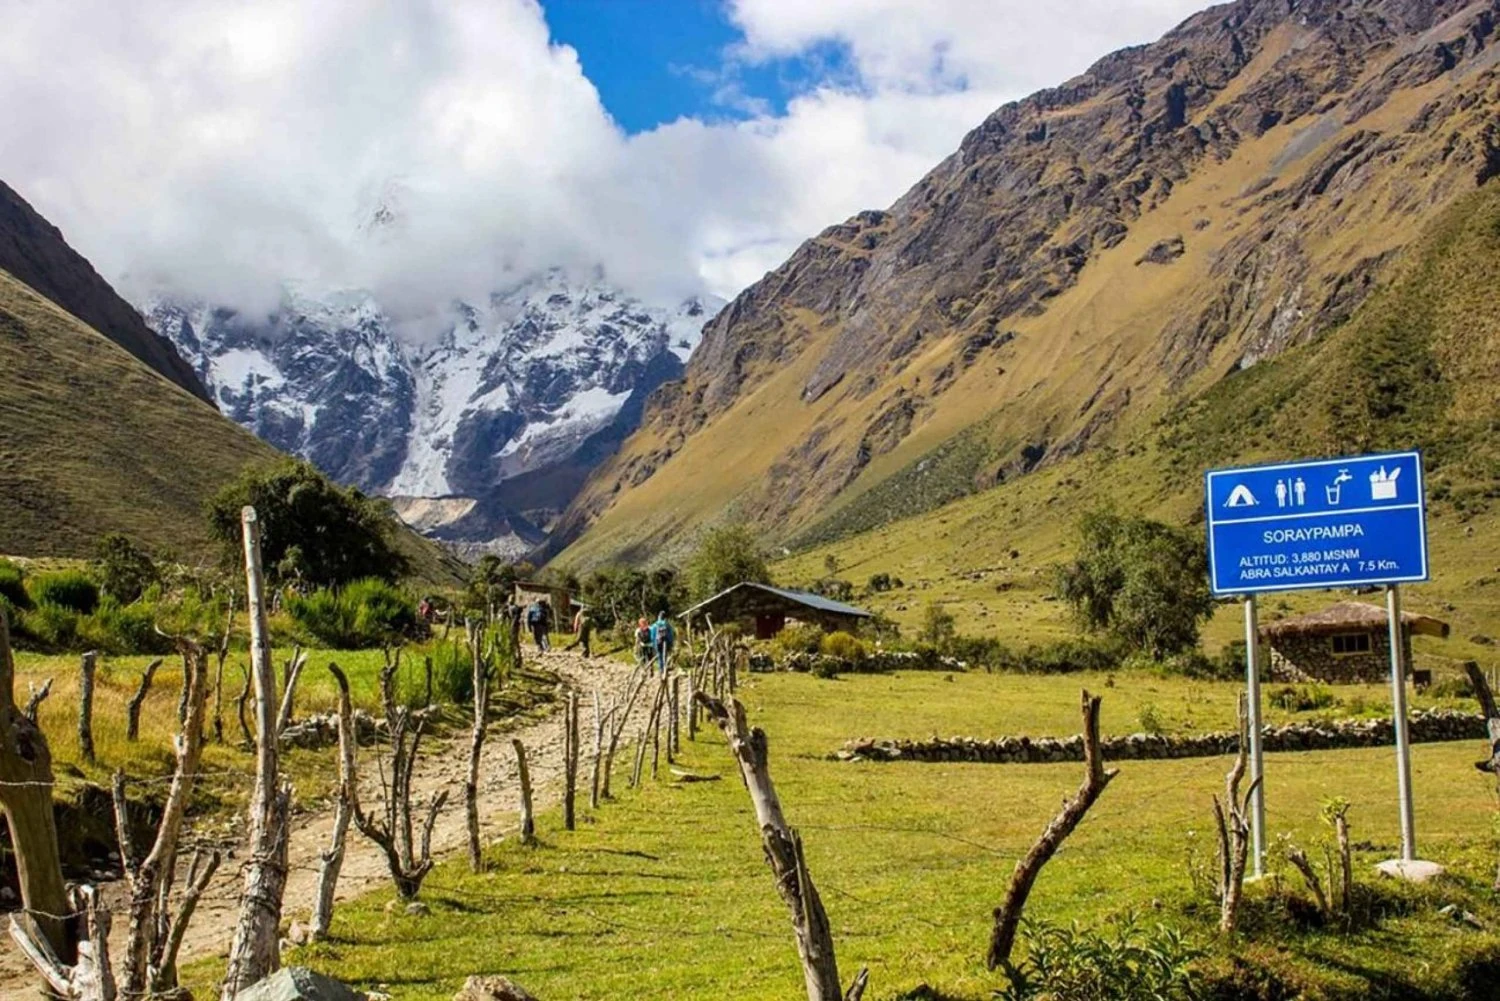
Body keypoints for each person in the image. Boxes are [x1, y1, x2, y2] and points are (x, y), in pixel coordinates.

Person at [649, 611, 675, 676]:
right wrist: (671, 643)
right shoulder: (667, 625)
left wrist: (653, 644)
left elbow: (652, 636)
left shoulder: (655, 625)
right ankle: (665, 670)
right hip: (666, 642)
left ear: (659, 617)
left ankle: (661, 670)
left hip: (658, 642)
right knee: (665, 656)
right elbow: (671, 635)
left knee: (660, 656)